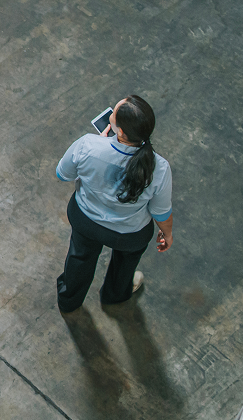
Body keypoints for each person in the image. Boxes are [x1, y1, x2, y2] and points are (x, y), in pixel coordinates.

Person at [54, 95, 174, 312]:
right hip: (129, 233)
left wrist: (99, 144)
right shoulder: (160, 168)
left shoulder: (87, 145)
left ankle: (69, 300)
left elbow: (63, 174)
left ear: (121, 131)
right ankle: (115, 295)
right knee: (127, 261)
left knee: (80, 258)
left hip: (86, 222)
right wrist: (167, 234)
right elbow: (161, 212)